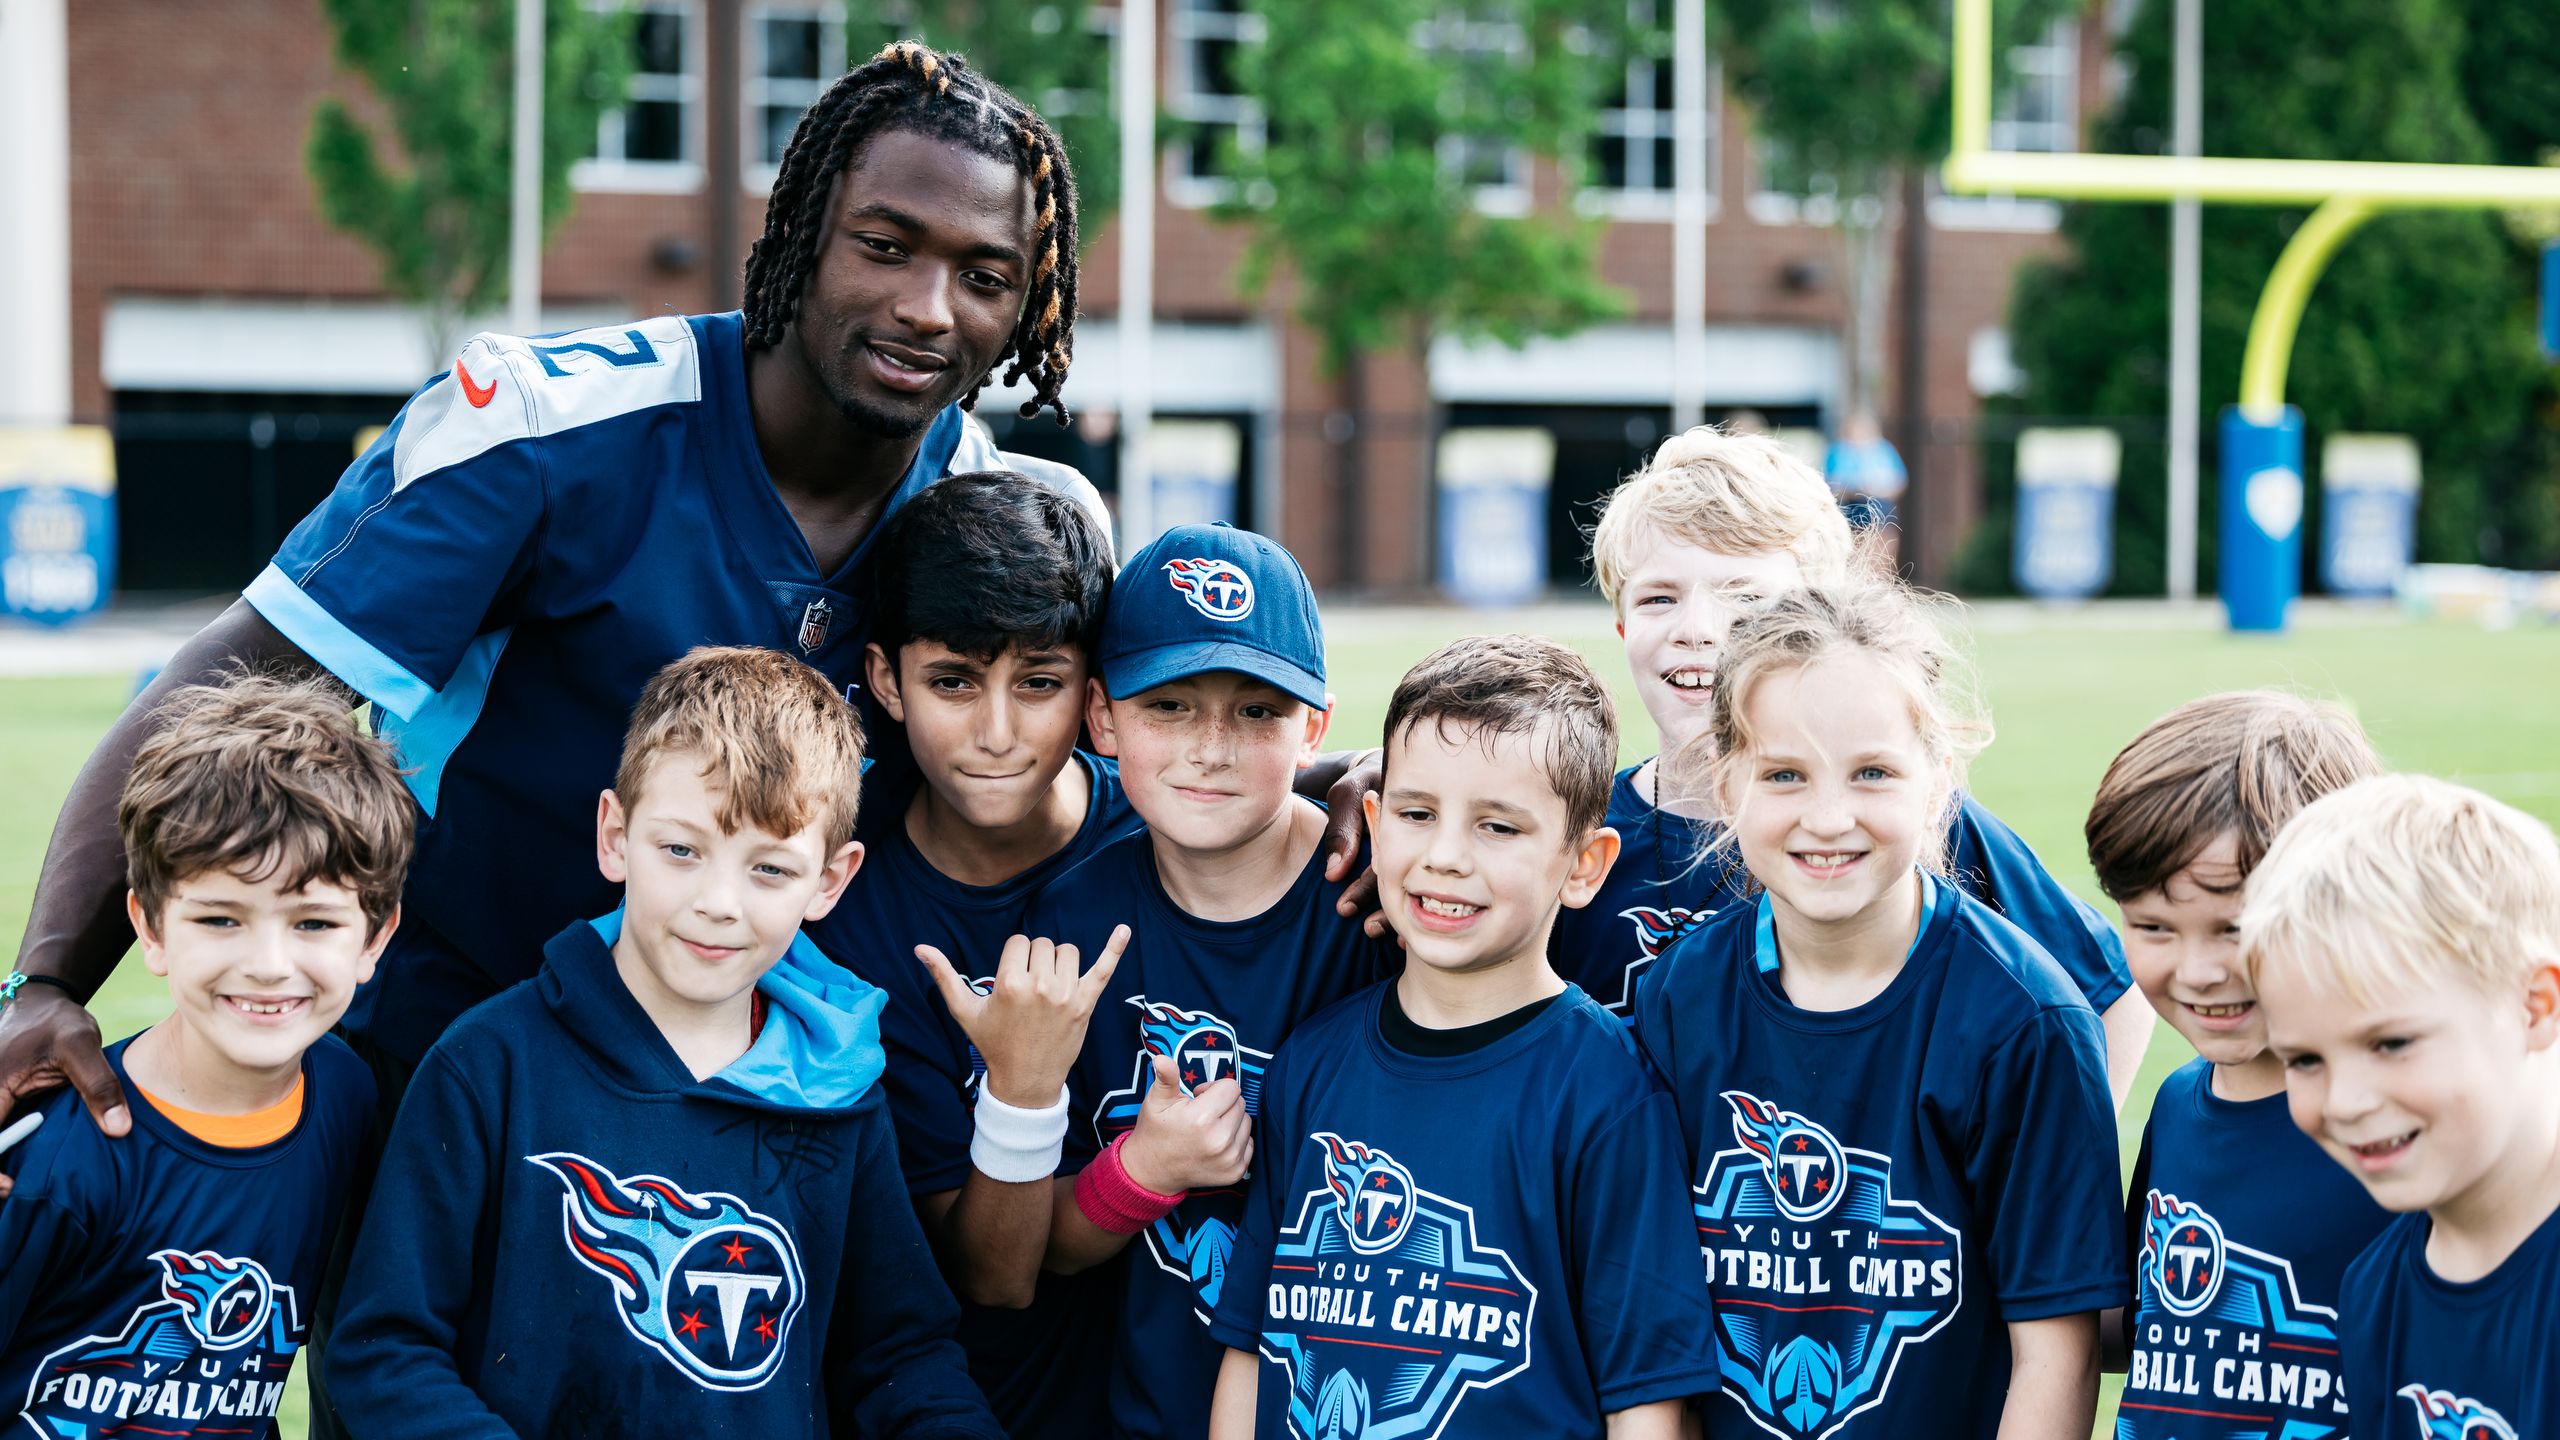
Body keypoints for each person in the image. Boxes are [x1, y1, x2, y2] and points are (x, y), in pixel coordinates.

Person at [0, 39, 1114, 1155]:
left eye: (984, 277)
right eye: (884, 247)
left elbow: (1119, 757)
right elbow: (224, 686)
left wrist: (1292, 804)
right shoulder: (549, 430)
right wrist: (47, 981)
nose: (928, 308)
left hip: (766, 1113)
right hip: (451, 1080)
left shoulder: (992, 514)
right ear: (801, 232)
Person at [326, 647, 998, 1439]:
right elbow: (384, 1351)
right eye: (681, 851)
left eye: (771, 870)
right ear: (615, 834)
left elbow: (900, 1357)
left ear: (831, 880)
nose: (718, 903)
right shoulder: (488, 1066)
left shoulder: (840, 1093)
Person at [1631, 582, 2123, 1440]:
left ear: (1939, 780)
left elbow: (2059, 1354)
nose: (1828, 818)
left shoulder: (2026, 1023)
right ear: (1727, 779)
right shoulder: (1678, 996)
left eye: (1873, 773)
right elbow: (1652, 1327)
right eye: (1784, 774)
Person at [1205, 635, 1718, 1439]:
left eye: (1498, 828)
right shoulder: (1314, 1061)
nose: (1445, 857)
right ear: (1374, 824)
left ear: (1585, 864)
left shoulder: (1607, 1092)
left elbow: (1648, 1405)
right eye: (1417, 814)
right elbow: (1251, 1346)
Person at [1569, 424, 2153, 1109]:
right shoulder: (1580, 837)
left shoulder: (1906, 822)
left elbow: (2110, 994)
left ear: (1819, 617)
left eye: (1743, 596)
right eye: (1659, 598)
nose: (1697, 627)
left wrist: (2052, 1181)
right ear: (1621, 626)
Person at [1026, 522, 1399, 1440]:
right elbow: (1043, 1243)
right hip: (1161, 1405)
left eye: (1257, 711)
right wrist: (1143, 1172)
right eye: (1171, 707)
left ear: (1316, 723)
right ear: (1103, 718)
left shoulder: (1383, 897)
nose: (1212, 748)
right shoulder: (1074, 926)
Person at [807, 470, 1136, 1436]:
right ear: (884, 682)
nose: (997, 735)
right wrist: (1023, 1088)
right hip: (936, 1401)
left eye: (1039, 683)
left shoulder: (1171, 830)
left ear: (1093, 689)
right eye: (953, 681)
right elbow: (990, 1278)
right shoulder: (833, 897)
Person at [0, 676, 411, 1438]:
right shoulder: (62, 1159)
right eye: (221, 918)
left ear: (377, 937)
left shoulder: (349, 1098)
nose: (267, 963)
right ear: (150, 928)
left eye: (314, 923)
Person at [2084, 692, 2387, 1437]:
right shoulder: (2180, 1104)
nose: (2198, 971)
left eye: (2236, 928)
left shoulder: (2397, 1123)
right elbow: (2137, 1330)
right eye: (2153, 926)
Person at [2247, 776, 2560, 1440]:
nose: (2347, 1102)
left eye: (2391, 1043)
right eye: (2303, 1059)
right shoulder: (2376, 1292)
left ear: (2535, 1005)